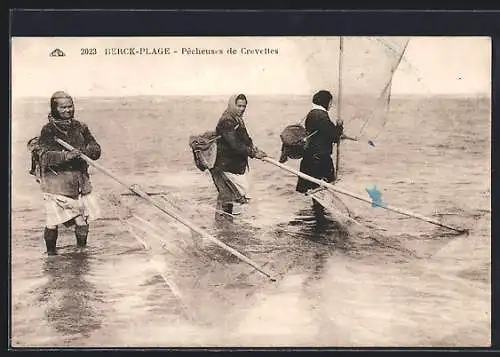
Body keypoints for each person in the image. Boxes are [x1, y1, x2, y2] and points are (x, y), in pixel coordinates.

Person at [35, 91, 102, 255]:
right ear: (55, 109)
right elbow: (44, 156)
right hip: (56, 185)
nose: (68, 110)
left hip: (80, 183)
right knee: (52, 222)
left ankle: (82, 252)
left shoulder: (80, 127)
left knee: (82, 221)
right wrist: (67, 155)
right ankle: (50, 256)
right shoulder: (49, 130)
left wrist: (85, 151)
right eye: (63, 107)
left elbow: (96, 149)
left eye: (70, 106)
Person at [209, 94, 267, 221]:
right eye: (239, 106)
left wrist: (254, 149)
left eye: (244, 106)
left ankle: (224, 226)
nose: (242, 109)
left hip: (232, 165)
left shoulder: (237, 119)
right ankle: (224, 226)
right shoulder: (227, 120)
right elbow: (235, 144)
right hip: (224, 165)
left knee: (227, 196)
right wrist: (253, 153)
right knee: (231, 195)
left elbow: (245, 139)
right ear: (232, 105)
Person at [295, 90, 344, 217]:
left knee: (317, 191)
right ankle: (320, 219)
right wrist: (339, 126)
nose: (331, 105)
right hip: (319, 160)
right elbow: (333, 135)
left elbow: (323, 133)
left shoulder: (313, 114)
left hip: (311, 159)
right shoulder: (320, 115)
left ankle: (319, 217)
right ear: (325, 102)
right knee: (321, 190)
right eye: (330, 102)